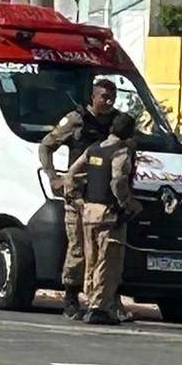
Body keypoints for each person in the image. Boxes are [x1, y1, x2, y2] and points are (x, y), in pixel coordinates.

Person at [37, 78, 118, 320]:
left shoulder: (117, 123)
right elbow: (46, 146)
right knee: (78, 247)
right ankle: (71, 298)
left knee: (104, 251)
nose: (108, 101)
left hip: (104, 197)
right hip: (79, 196)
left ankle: (104, 300)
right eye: (103, 96)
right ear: (93, 97)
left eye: (111, 97)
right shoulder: (77, 120)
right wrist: (53, 177)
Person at [67, 112, 141, 326]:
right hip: (109, 215)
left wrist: (76, 198)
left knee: (91, 260)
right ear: (128, 133)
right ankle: (99, 308)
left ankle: (90, 302)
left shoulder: (94, 149)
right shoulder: (121, 152)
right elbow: (118, 181)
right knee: (108, 262)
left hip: (89, 212)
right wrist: (128, 204)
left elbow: (71, 174)